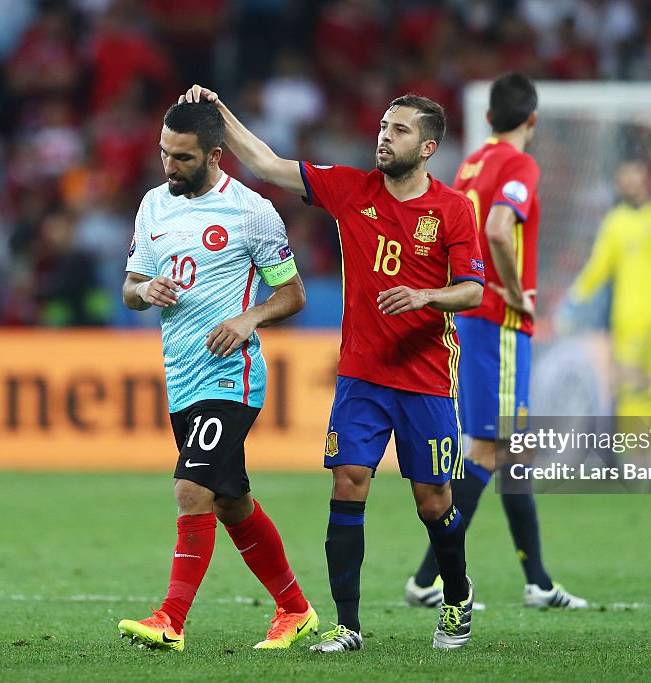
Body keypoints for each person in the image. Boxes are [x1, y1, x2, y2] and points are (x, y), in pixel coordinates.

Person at [180, 84, 485, 652]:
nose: (384, 137)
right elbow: (268, 164)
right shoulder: (351, 189)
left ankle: (456, 594)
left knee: (432, 501)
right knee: (348, 484)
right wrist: (220, 113)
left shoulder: (452, 209)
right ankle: (348, 626)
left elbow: (471, 291)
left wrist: (425, 297)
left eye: (399, 130)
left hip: (426, 379)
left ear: (427, 147)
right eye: (383, 127)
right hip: (362, 376)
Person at [116, 99, 317, 652]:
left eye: (182, 158)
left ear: (214, 154)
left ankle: (170, 619)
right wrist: (144, 292)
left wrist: (249, 317)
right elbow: (131, 288)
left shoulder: (252, 212)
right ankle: (296, 609)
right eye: (163, 153)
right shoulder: (153, 205)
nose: (168, 166)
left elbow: (293, 294)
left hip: (232, 375)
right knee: (231, 502)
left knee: (191, 488)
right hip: (180, 377)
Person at [404, 73, 588, 611]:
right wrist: (513, 289)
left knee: (513, 451)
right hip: (499, 319)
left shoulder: (471, 163)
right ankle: (429, 578)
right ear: (532, 119)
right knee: (490, 448)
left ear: (487, 118)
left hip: (471, 317)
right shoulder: (520, 164)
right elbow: (502, 229)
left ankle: (536, 582)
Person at [570, 159, 651, 418]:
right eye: (624, 179)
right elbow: (598, 267)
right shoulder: (615, 222)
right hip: (627, 318)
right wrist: (575, 299)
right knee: (629, 386)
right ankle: (631, 452)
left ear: (646, 179)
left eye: (635, 177)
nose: (630, 183)